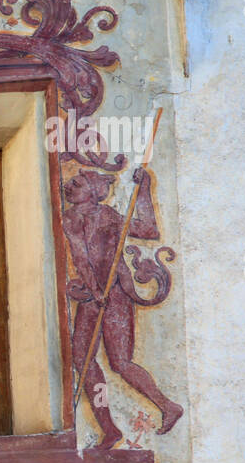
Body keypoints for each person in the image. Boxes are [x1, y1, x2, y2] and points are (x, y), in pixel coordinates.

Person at [63, 168, 183, 448]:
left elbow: (149, 230)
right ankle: (109, 429)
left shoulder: (108, 216)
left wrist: (144, 187)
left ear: (93, 191)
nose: (68, 186)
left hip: (116, 291)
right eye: (70, 183)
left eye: (76, 183)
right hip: (93, 293)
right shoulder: (70, 218)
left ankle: (167, 406)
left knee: (120, 362)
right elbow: (80, 257)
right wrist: (93, 291)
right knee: (82, 359)